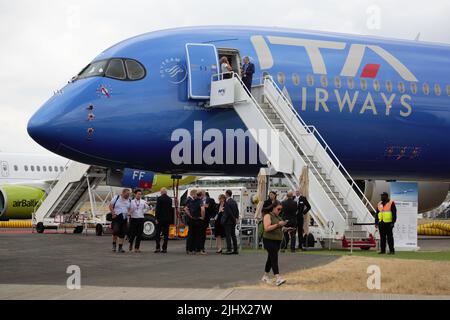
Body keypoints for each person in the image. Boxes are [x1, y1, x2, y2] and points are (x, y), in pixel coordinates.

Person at [261, 201, 287, 286]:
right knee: (274, 258)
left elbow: (279, 227)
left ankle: (265, 276)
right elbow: (267, 228)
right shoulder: (268, 216)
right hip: (269, 240)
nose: (280, 211)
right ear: (273, 207)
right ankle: (278, 277)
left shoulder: (278, 217)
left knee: (270, 258)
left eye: (281, 209)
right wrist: (278, 225)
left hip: (276, 240)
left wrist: (285, 228)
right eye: (278, 209)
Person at [109, 189, 132, 253]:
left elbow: (130, 208)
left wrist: (129, 212)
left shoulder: (129, 200)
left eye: (129, 194)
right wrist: (113, 213)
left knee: (122, 233)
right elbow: (110, 206)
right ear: (123, 193)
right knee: (116, 231)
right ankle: (114, 245)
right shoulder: (116, 198)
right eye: (127, 194)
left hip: (124, 218)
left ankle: (120, 247)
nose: (128, 195)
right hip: (116, 217)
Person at [155, 188, 173, 254]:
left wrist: (156, 218)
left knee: (157, 233)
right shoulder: (170, 199)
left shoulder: (159, 199)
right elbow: (170, 210)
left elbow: (158, 209)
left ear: (161, 192)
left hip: (160, 219)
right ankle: (164, 248)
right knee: (166, 234)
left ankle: (157, 248)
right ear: (166, 192)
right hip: (167, 219)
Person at [187, 190, 205, 255]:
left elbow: (186, 208)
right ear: (201, 195)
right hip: (198, 220)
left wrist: (190, 215)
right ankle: (199, 250)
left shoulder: (191, 201)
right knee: (198, 235)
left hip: (192, 220)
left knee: (191, 235)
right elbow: (202, 209)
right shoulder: (200, 201)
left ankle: (190, 250)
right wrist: (202, 217)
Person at [222, 189, 239, 255]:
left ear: (226, 194)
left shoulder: (227, 202)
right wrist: (236, 218)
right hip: (233, 221)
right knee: (233, 235)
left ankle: (229, 249)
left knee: (228, 236)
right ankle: (235, 249)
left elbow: (228, 212)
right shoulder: (234, 201)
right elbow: (237, 211)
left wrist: (232, 218)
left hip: (228, 221)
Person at [184, 189, 197, 254]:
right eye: (196, 194)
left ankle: (190, 248)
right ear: (193, 194)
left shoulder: (189, 200)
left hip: (190, 219)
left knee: (191, 234)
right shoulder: (189, 200)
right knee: (191, 234)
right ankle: (189, 249)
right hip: (191, 219)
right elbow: (186, 209)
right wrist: (190, 216)